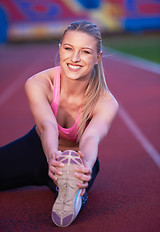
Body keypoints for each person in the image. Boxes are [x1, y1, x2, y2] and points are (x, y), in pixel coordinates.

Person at [0, 20, 118, 227]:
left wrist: (86, 167)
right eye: (68, 48)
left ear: (98, 57)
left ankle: (71, 190)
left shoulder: (106, 102)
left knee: (74, 176)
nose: (74, 58)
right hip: (37, 148)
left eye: (85, 52)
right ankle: (64, 183)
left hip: (77, 159)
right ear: (60, 49)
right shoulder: (38, 83)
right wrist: (52, 157)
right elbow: (47, 125)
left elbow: (92, 137)